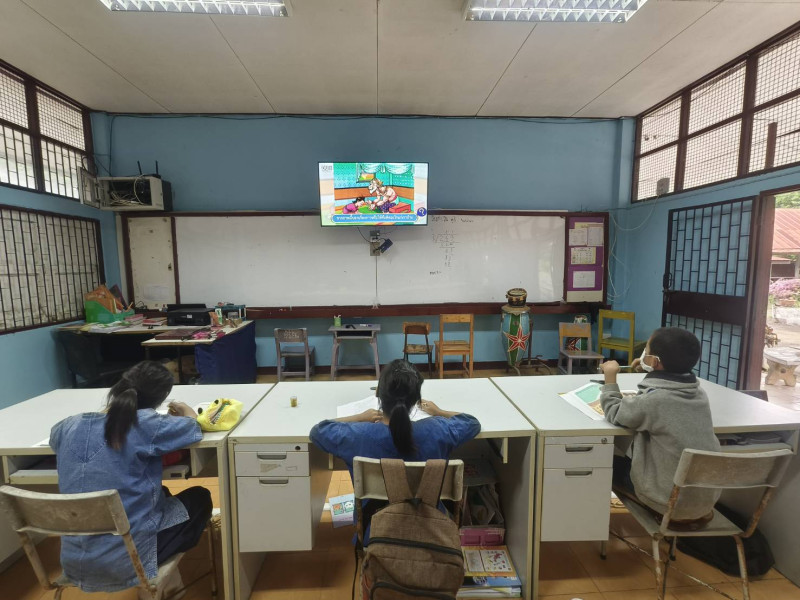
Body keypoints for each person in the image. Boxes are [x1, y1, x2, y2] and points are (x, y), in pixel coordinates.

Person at [49, 361, 212, 593]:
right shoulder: (146, 423)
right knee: (200, 497)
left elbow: (54, 438)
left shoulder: (69, 425)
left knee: (161, 494)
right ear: (160, 398)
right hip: (129, 562)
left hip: (74, 562)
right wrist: (187, 411)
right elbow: (192, 428)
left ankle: (171, 582)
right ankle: (162, 581)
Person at [310, 359, 480, 531]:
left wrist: (359, 417)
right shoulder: (438, 429)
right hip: (430, 528)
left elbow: (318, 431)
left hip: (375, 530)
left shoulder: (358, 435)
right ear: (416, 399)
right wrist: (439, 412)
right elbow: (471, 422)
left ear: (379, 394)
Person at [599, 327, 721, 526]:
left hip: (665, 500)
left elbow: (615, 412)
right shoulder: (699, 394)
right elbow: (663, 392)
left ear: (654, 361)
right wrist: (649, 371)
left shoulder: (655, 401)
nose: (643, 355)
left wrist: (610, 378)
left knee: (605, 462)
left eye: (646, 351)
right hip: (704, 501)